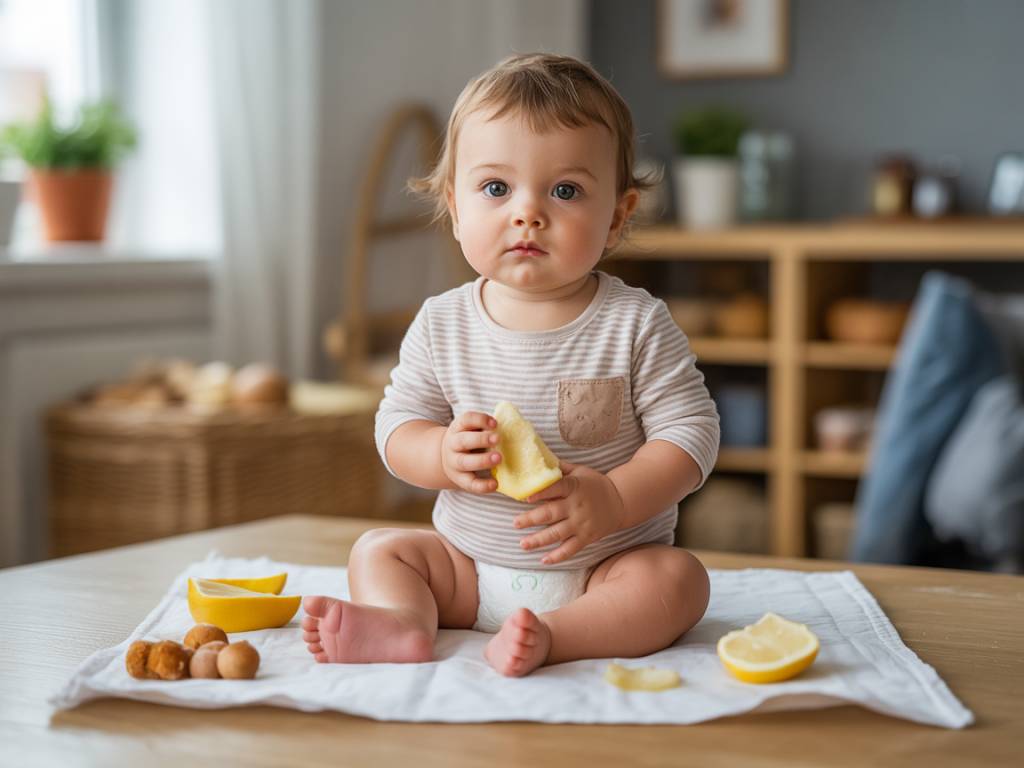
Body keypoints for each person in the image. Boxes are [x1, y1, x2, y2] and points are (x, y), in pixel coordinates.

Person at [302, 53, 719, 677]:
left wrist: (613, 497)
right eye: (496, 188)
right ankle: (404, 624)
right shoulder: (442, 323)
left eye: (566, 190)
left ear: (617, 216)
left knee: (678, 582)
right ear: (455, 205)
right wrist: (440, 452)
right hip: (467, 570)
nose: (528, 212)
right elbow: (396, 426)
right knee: (379, 550)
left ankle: (556, 635)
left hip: (604, 567)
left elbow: (692, 437)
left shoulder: (634, 322)